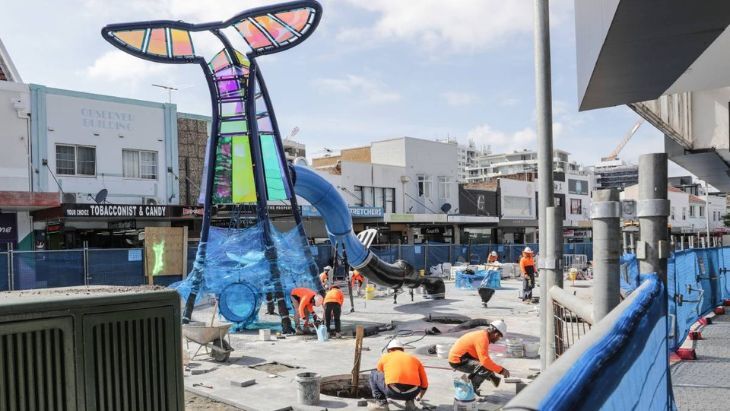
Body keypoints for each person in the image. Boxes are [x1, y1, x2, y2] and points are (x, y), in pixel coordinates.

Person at [448, 320, 510, 395]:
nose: (498, 340)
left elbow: (483, 358)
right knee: (485, 367)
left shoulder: (483, 335)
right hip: (458, 361)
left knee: (488, 366)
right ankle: (470, 389)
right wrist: (501, 370)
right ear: (496, 334)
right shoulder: (482, 339)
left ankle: (468, 384)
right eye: (499, 337)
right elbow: (485, 362)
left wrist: (493, 370)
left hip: (463, 357)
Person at [368, 339, 428, 411]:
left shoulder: (385, 357)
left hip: (392, 392)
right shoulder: (415, 359)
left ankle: (382, 403)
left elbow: (380, 372)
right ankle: (410, 404)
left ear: (389, 350)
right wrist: (419, 397)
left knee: (373, 373)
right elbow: (425, 384)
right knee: (413, 379)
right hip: (413, 393)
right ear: (402, 350)